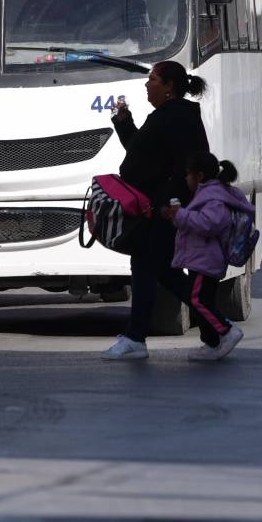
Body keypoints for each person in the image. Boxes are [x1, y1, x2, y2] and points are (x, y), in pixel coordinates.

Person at [101, 61, 210, 361]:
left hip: (162, 209)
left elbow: (185, 166)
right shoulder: (164, 116)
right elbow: (141, 151)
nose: (147, 86)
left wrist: (168, 202)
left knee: (147, 264)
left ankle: (136, 337)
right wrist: (124, 121)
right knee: (162, 269)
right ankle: (218, 328)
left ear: (169, 86)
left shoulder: (178, 118)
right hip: (156, 207)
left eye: (152, 80)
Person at [158, 152, 252, 361]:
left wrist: (181, 214)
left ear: (199, 176)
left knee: (197, 299)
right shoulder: (208, 193)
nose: (185, 179)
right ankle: (212, 343)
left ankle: (226, 331)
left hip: (206, 260)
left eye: (188, 174)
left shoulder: (213, 196)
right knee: (203, 300)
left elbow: (210, 223)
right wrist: (176, 216)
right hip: (201, 258)